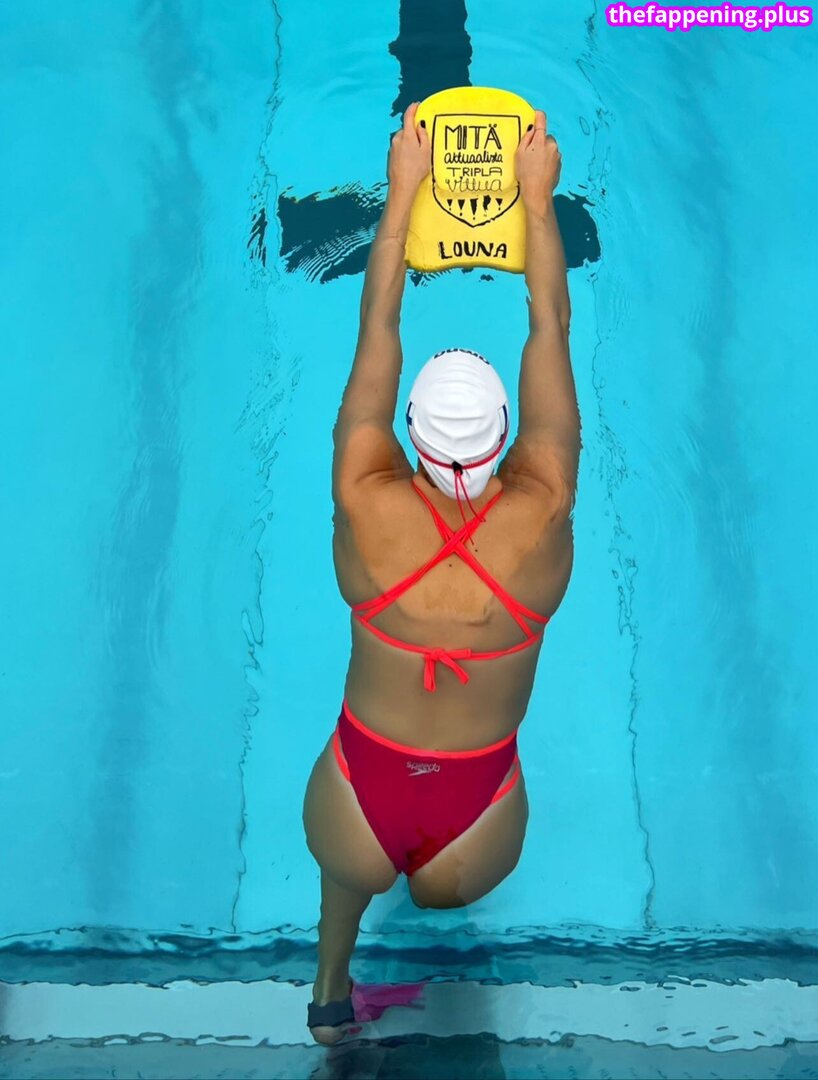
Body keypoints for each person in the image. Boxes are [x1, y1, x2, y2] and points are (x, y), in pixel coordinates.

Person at [302, 103, 580, 1044]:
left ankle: (330, 997)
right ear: (507, 440)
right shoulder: (544, 508)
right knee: (443, 886)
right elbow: (550, 326)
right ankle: (437, 909)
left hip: (356, 797)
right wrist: (535, 200)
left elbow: (377, 324)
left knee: (348, 873)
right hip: (477, 828)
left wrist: (402, 195)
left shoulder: (362, 496)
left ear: (408, 439)